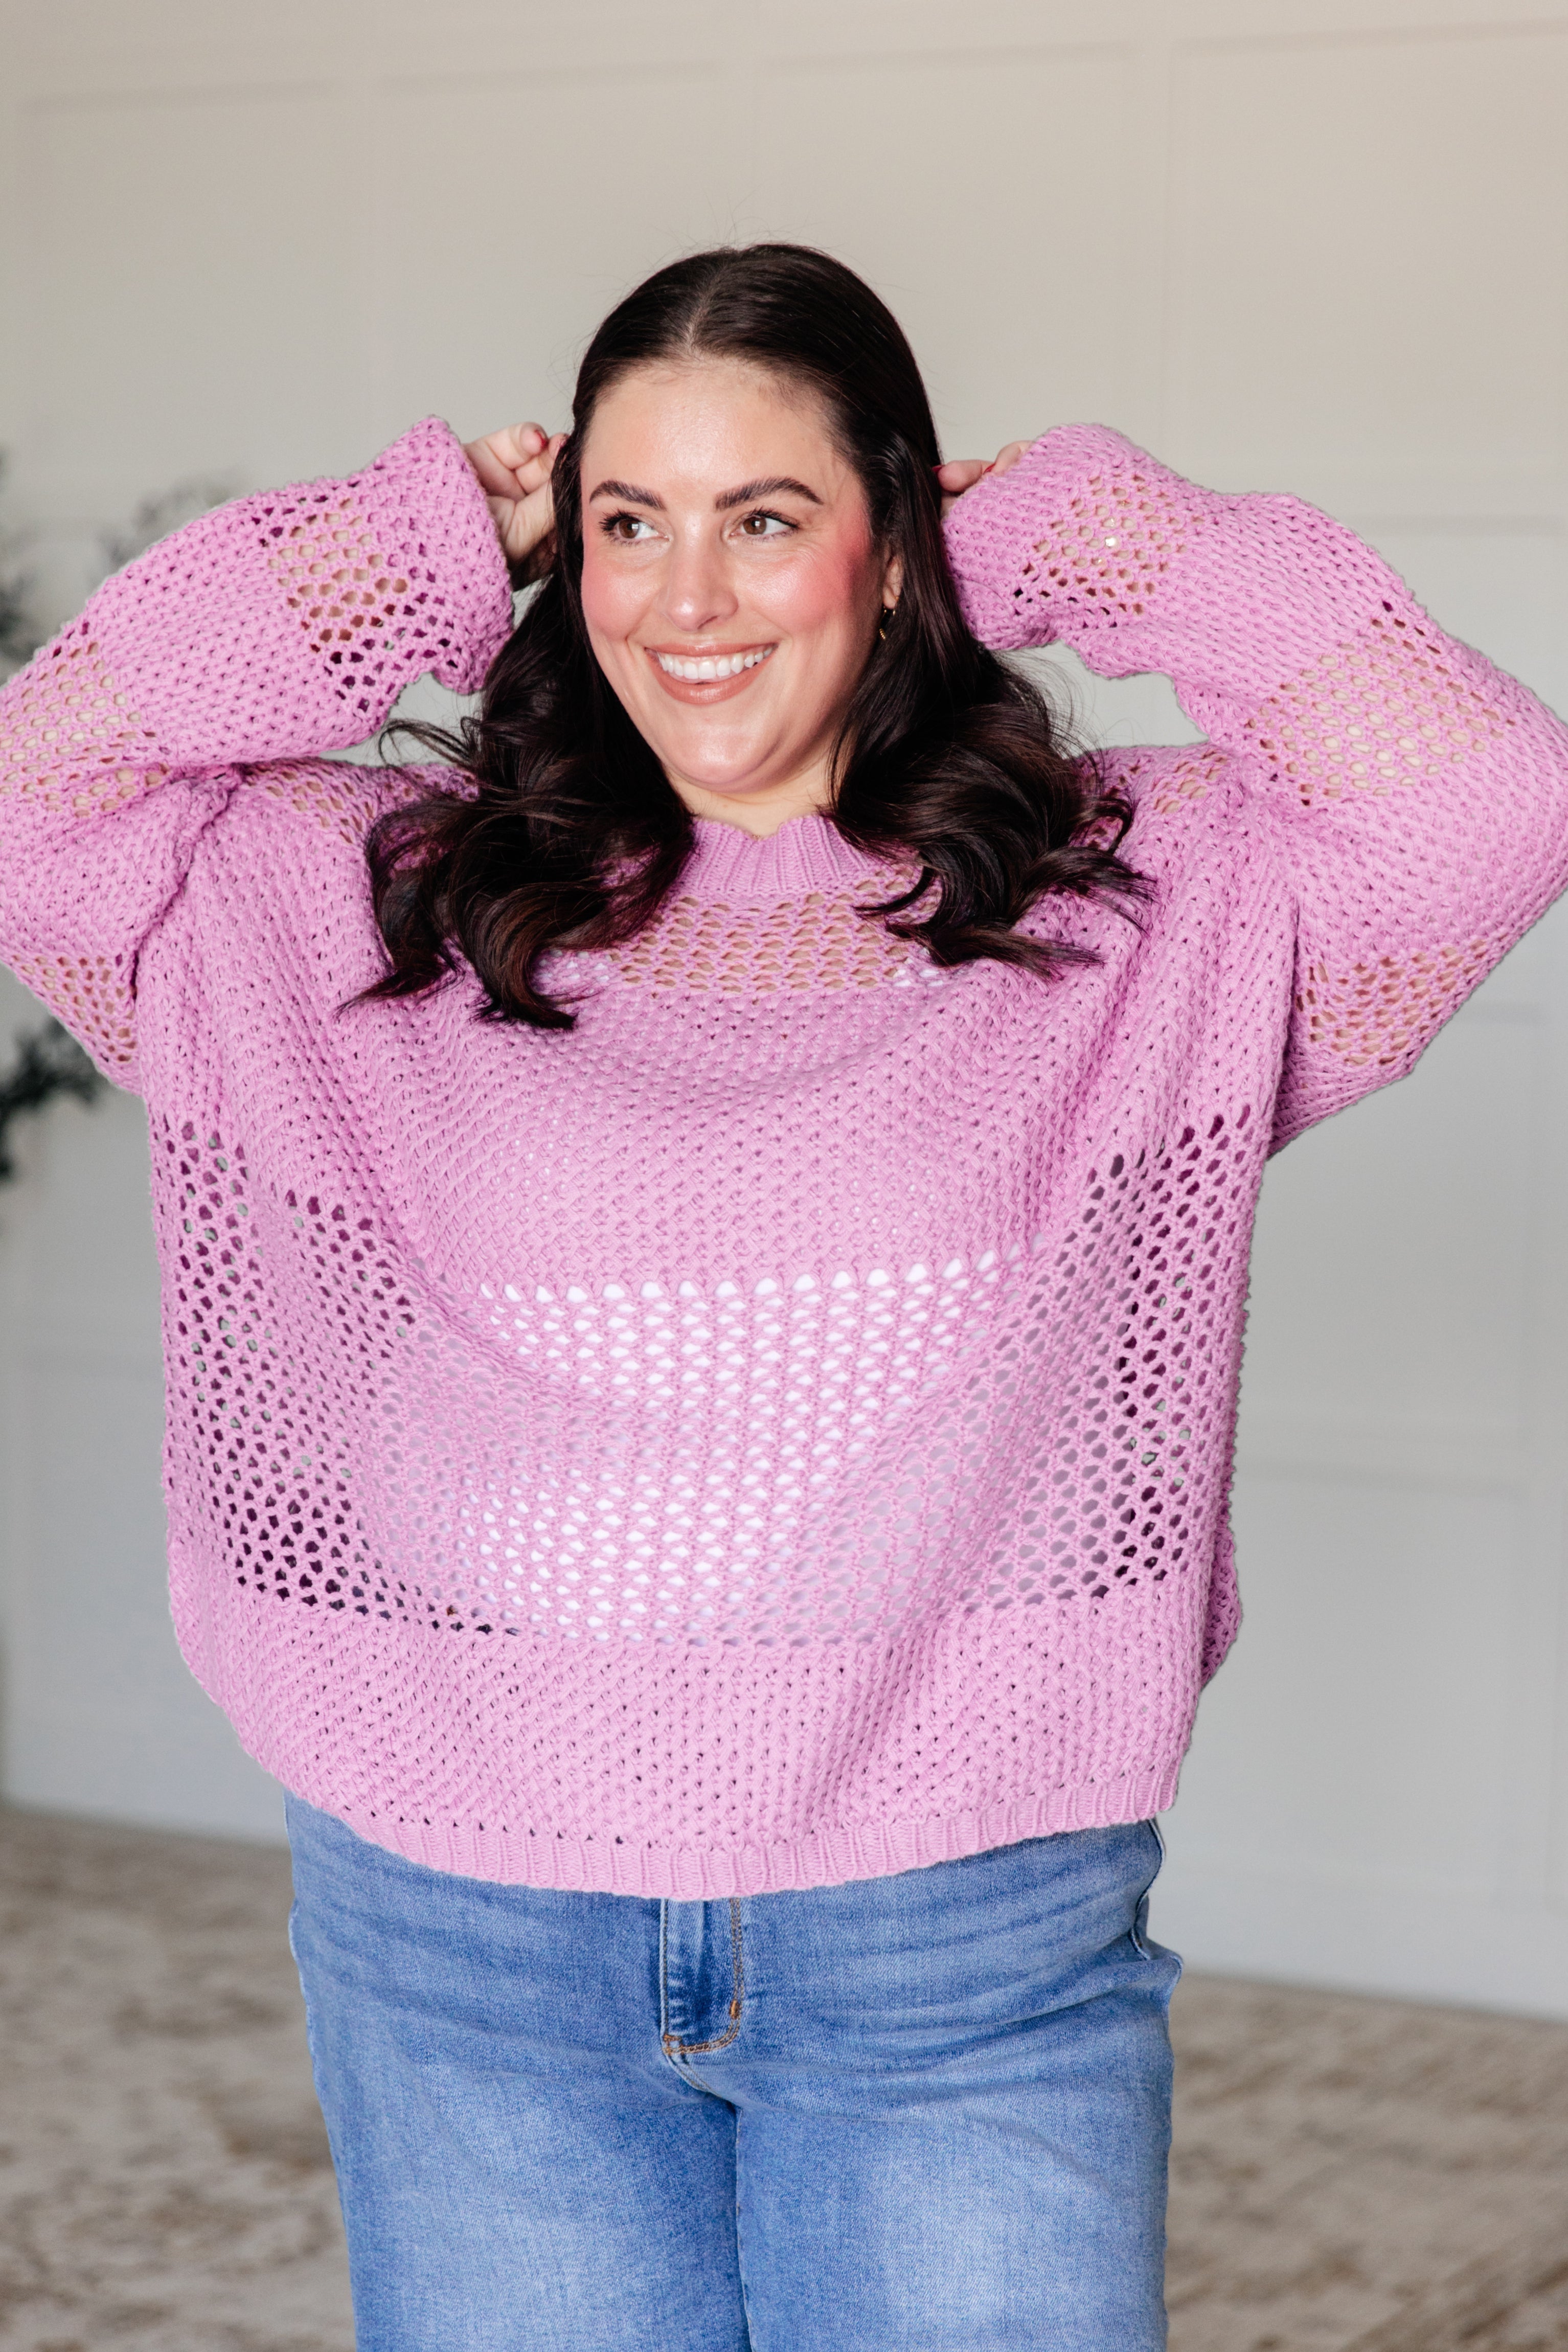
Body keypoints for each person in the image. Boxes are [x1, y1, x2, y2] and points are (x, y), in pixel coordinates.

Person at [2, 242, 1564, 2351]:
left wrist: (1096, 535)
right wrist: (410, 543)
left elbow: (1482, 792)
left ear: (894, 548)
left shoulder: (1129, 903)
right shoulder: (374, 895)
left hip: (954, 1930)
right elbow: (38, 790)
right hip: (470, 1920)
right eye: (629, 522)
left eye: (763, 519)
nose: (684, 596)